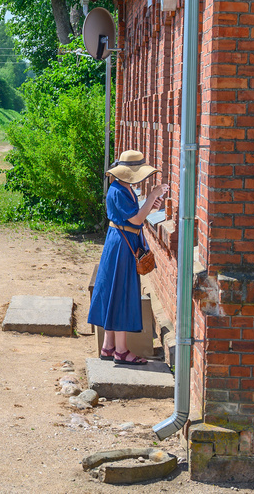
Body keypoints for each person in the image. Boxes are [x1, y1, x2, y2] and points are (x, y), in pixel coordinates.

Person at [88, 150, 169, 366]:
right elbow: (135, 218)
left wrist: (150, 206)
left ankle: (109, 346)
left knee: (115, 291)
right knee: (121, 292)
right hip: (122, 246)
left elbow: (136, 217)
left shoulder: (124, 188)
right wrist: (151, 197)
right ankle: (121, 351)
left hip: (122, 243)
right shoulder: (118, 190)